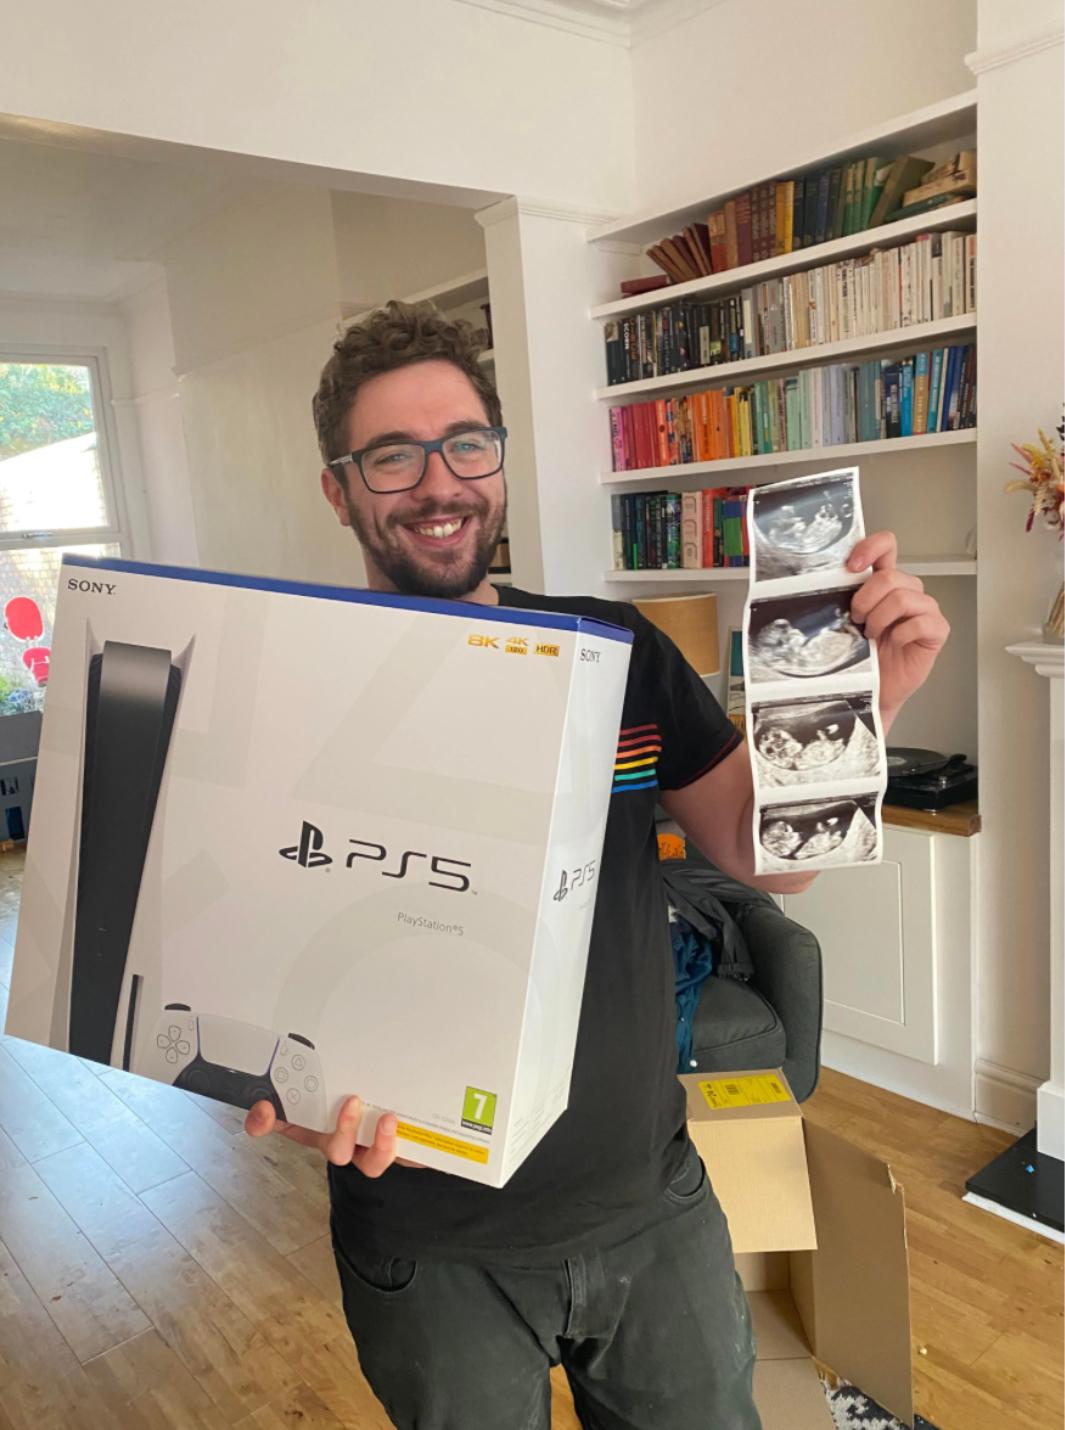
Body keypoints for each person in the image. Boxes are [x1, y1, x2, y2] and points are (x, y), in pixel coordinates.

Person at [244, 300, 950, 1429]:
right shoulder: (285, 695)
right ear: (339, 489)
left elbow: (769, 861)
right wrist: (277, 1073)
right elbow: (246, 953)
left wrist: (881, 697)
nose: (439, 482)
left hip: (648, 1202)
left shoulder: (614, 653)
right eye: (393, 455)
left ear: (500, 460)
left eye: (465, 443)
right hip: (429, 1241)